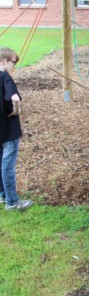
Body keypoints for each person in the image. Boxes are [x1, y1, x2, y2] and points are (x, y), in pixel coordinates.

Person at [0, 47, 33, 211]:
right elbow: (14, 97)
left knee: (1, 162)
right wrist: (16, 110)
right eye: (13, 62)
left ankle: (3, 196)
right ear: (4, 61)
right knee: (7, 165)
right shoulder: (5, 77)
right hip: (8, 130)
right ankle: (12, 202)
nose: (14, 66)